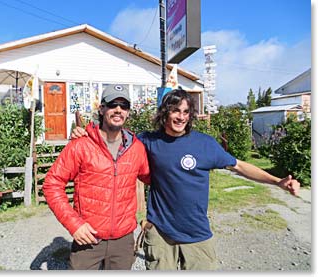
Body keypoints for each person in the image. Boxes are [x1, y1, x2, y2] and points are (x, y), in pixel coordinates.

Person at [71, 89, 300, 270]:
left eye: (185, 112)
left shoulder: (205, 144)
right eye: (175, 111)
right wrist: (84, 133)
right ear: (165, 113)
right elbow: (113, 138)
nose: (180, 117)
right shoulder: (147, 142)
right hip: (161, 235)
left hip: (197, 234)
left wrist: (277, 181)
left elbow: (239, 166)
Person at [42, 84, 151, 270]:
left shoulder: (137, 148)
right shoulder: (81, 145)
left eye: (124, 106)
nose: (118, 110)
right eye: (112, 104)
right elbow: (52, 184)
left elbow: (154, 179)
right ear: (102, 109)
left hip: (123, 242)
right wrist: (74, 225)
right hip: (88, 239)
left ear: (128, 112)